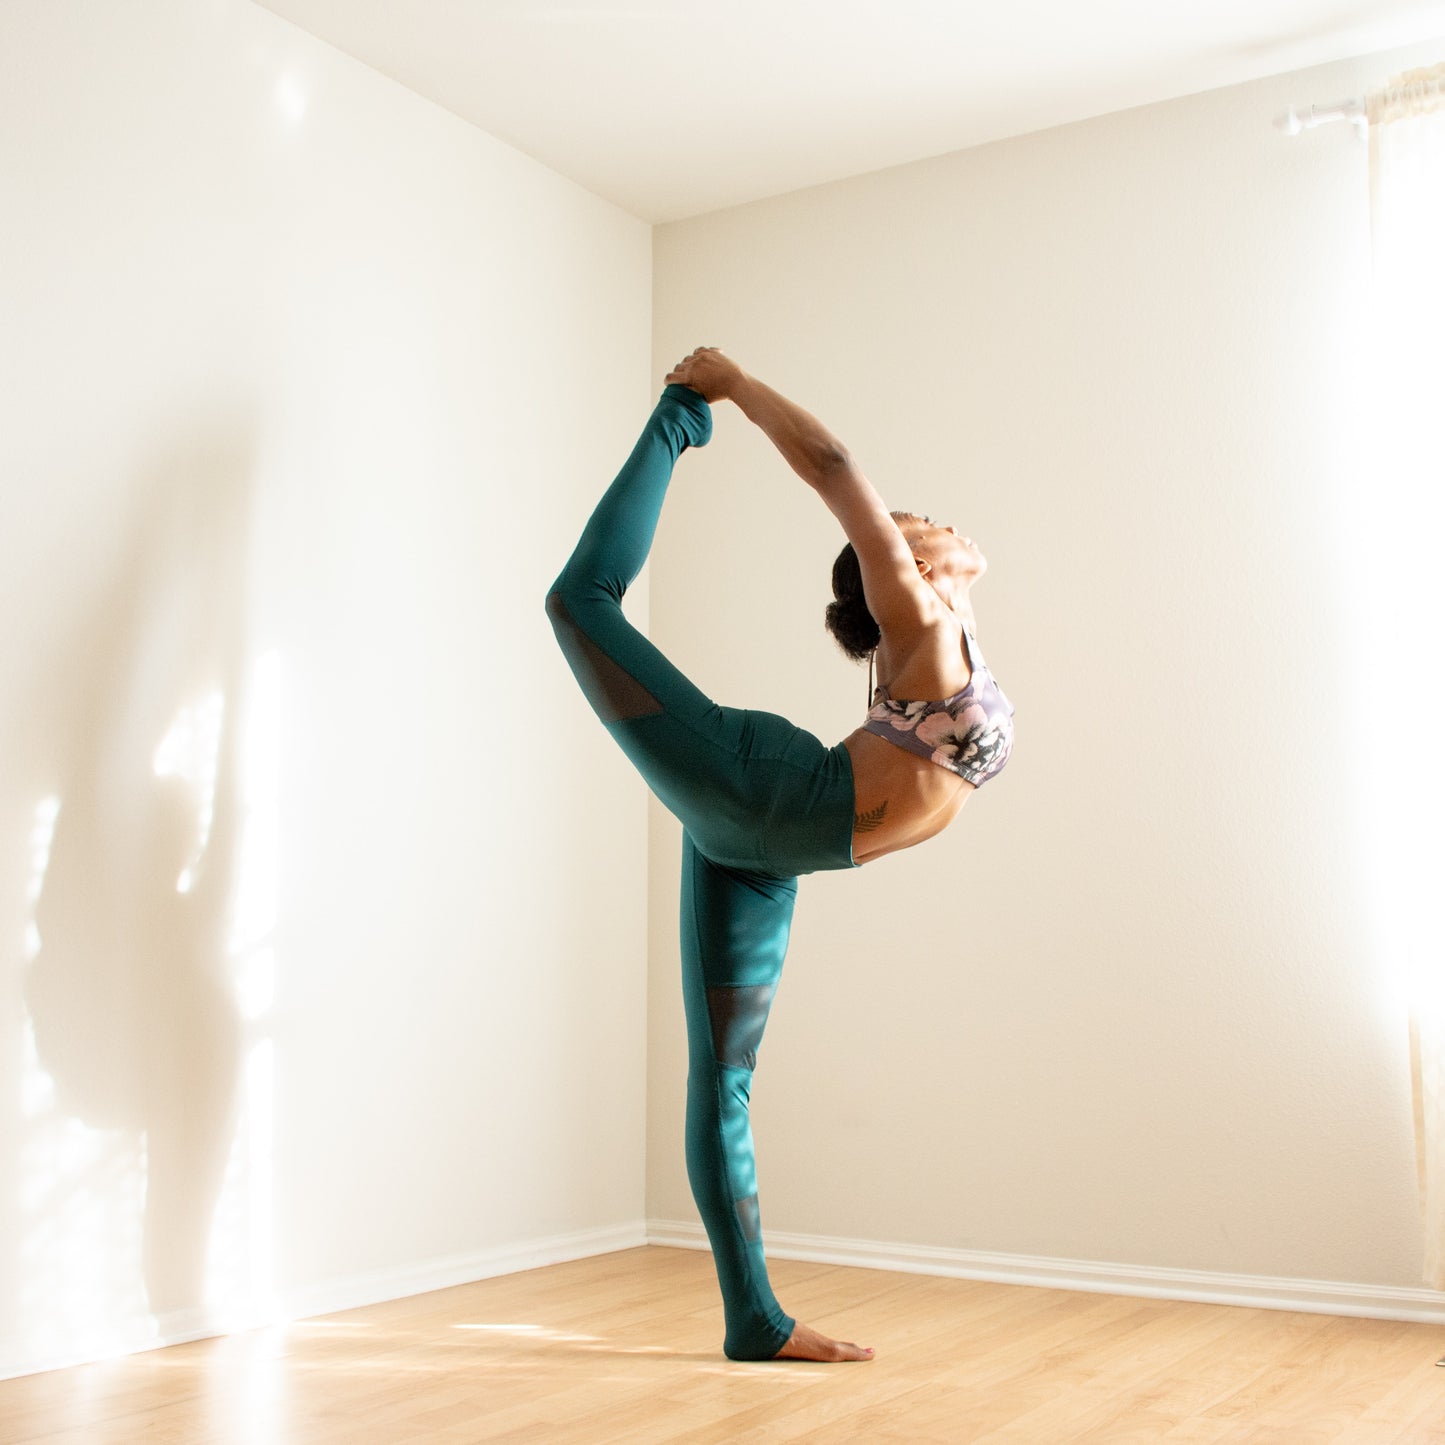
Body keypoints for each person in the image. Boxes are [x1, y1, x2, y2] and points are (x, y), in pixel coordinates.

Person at [545, 348, 1013, 1363]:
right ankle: (676, 418)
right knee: (578, 602)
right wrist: (729, 384)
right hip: (762, 792)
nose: (928, 517)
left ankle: (753, 1318)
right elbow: (833, 462)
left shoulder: (944, 626)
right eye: (913, 518)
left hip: (769, 842)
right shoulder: (916, 618)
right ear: (908, 563)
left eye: (915, 517)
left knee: (724, 1079)